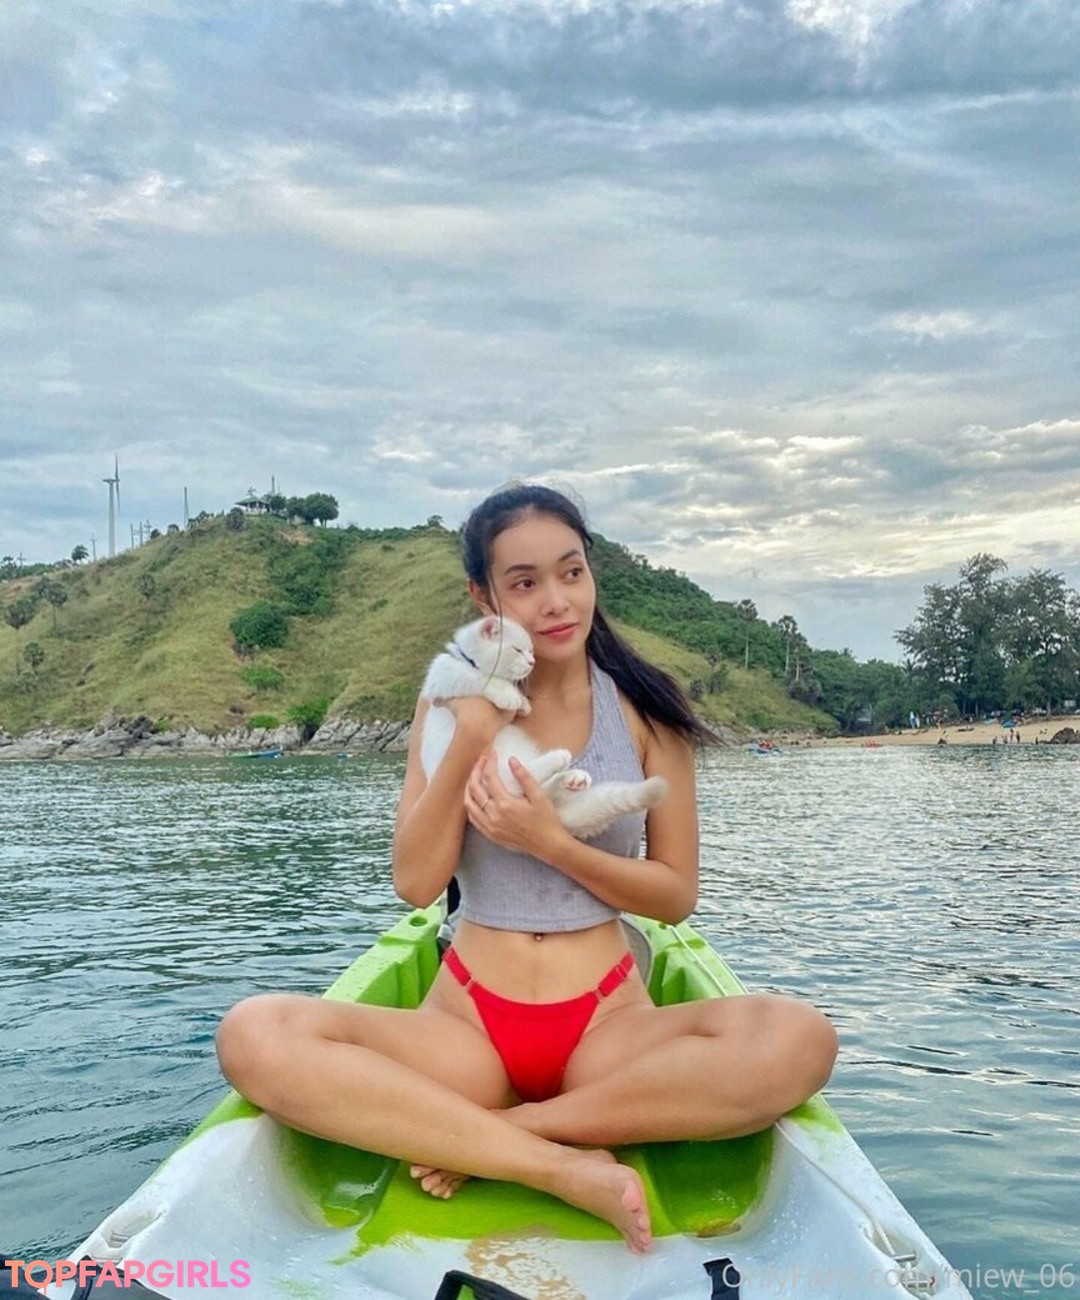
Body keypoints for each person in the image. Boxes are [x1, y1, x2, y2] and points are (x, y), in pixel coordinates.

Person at [215, 483, 838, 1254]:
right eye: (524, 582)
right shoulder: (448, 703)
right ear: (484, 597)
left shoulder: (646, 710)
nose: (556, 601)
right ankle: (554, 1166)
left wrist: (553, 842)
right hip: (467, 1028)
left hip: (608, 1030)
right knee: (254, 1034)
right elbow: (415, 884)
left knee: (800, 1040)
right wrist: (471, 738)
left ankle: (514, 1132)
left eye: (571, 572)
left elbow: (675, 895)